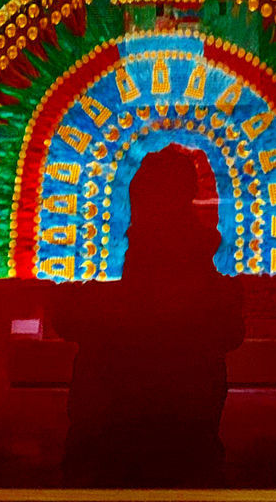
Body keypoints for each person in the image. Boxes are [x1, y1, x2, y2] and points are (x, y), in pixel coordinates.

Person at [50, 145, 245, 487]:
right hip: (187, 425)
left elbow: (65, 320)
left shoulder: (100, 257)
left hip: (105, 432)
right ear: (189, 194)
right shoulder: (212, 256)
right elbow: (232, 332)